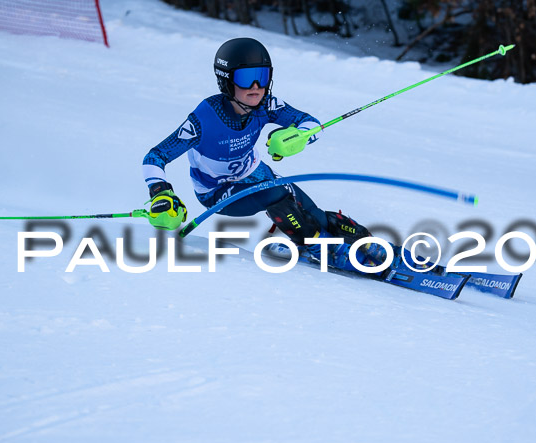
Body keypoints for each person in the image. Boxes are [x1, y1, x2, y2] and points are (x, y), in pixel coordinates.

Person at [142, 37, 382, 270]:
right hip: (218, 192)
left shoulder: (266, 104)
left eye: (262, 77)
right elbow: (155, 157)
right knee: (275, 193)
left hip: (257, 174)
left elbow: (311, 123)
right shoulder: (204, 120)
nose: (256, 87)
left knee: (311, 213)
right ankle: (317, 247)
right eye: (247, 79)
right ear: (226, 81)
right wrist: (160, 192)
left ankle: (361, 241)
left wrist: (296, 138)